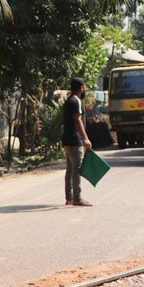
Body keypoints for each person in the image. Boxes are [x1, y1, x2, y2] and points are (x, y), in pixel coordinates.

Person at [62, 77, 93, 206]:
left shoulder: (68, 100)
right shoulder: (76, 101)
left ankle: (69, 197)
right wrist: (85, 138)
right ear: (81, 87)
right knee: (77, 169)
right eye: (84, 87)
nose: (84, 89)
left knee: (70, 169)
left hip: (66, 139)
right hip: (75, 140)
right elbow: (77, 120)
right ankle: (77, 198)